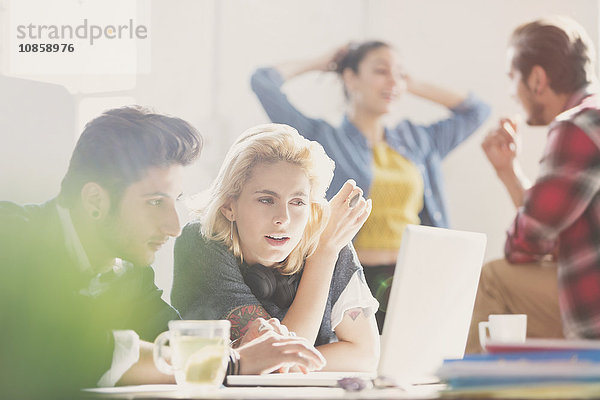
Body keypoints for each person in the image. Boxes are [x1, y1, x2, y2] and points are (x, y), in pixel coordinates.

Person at [0, 107, 325, 400]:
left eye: (174, 201)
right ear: (96, 201)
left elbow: (169, 341)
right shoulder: (12, 234)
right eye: (155, 202)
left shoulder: (128, 270)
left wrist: (250, 349)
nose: (173, 226)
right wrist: (233, 363)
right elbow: (56, 343)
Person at [250, 41, 491, 330]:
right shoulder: (324, 139)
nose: (392, 80)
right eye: (380, 71)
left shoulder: (420, 141)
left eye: (399, 73)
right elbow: (262, 81)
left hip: (416, 276)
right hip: (354, 279)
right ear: (350, 78)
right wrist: (322, 61)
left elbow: (477, 111)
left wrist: (405, 83)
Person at [172, 123, 380, 372]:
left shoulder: (328, 239)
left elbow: (365, 355)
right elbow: (279, 362)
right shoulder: (202, 242)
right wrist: (322, 256)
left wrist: (326, 249)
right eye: (266, 200)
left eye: (297, 201)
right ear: (229, 206)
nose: (283, 218)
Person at [465, 17, 600, 353]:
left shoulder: (578, 125)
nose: (513, 91)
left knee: (494, 278)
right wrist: (509, 173)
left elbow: (528, 242)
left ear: (537, 79)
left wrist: (525, 239)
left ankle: (464, 388)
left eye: (513, 77)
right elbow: (551, 230)